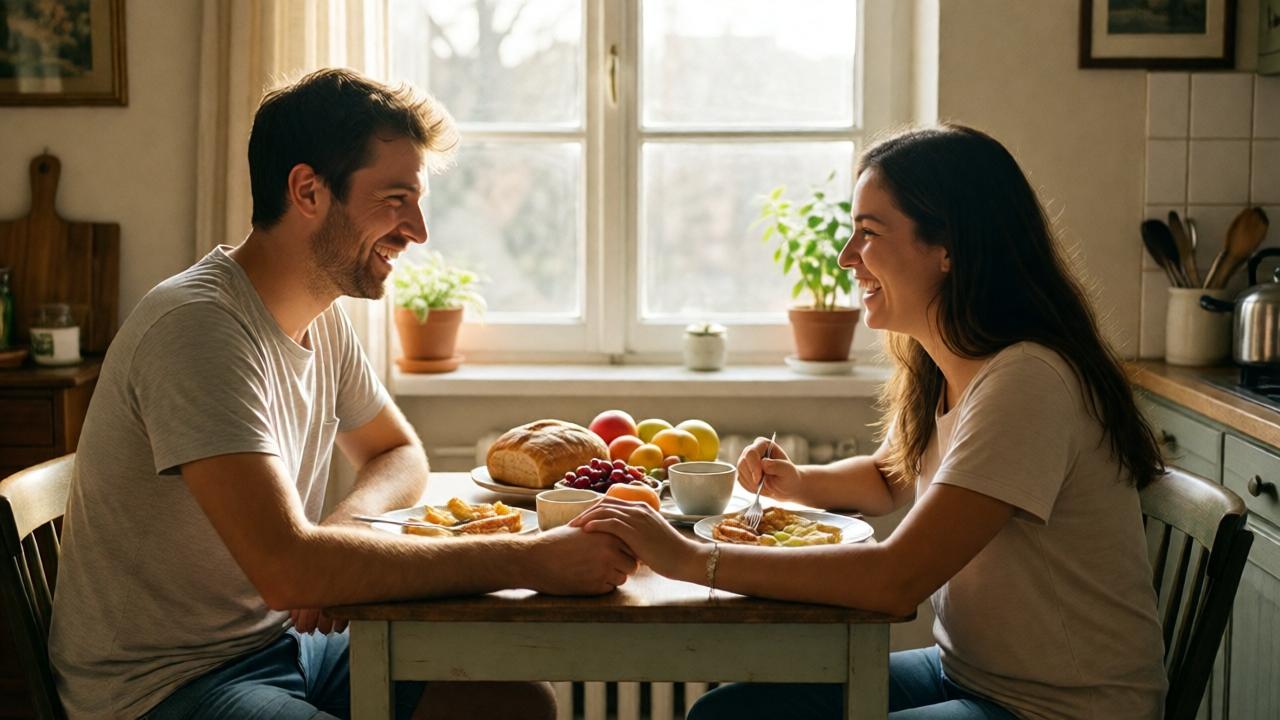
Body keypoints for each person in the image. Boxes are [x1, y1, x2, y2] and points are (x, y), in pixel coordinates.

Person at [48, 68, 637, 720]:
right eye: (394, 198)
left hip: (278, 641)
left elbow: (397, 452)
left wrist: (341, 531)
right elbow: (286, 571)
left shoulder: (318, 317)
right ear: (307, 191)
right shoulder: (197, 328)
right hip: (164, 687)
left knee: (513, 704)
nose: (417, 229)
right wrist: (531, 561)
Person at [571, 125, 1168, 719]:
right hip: (971, 674)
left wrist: (684, 557)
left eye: (869, 233)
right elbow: (891, 479)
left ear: (948, 248)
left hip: (1063, 709)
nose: (846, 256)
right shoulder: (950, 364)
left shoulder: (1027, 382)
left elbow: (894, 580)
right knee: (726, 716)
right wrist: (798, 480)